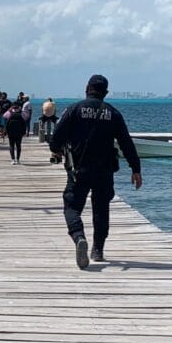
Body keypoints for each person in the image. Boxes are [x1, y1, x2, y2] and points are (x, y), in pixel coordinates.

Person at [49, 75, 142, 269]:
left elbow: (56, 138)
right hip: (104, 171)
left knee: (72, 207)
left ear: (87, 88)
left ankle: (79, 237)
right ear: (106, 93)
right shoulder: (113, 113)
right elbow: (126, 143)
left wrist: (57, 149)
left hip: (78, 170)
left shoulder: (74, 110)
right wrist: (136, 169)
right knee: (101, 208)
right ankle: (97, 250)